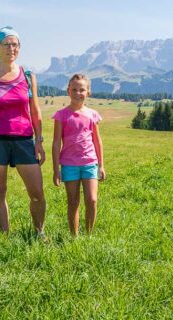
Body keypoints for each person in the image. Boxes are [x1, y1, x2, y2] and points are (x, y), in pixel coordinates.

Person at [0, 26, 46, 238]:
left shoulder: (28, 75)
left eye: (15, 44)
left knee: (37, 194)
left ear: (19, 48)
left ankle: (39, 233)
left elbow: (35, 110)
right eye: (6, 44)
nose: (11, 48)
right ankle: (5, 237)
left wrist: (39, 141)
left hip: (24, 141)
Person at [51, 74, 105, 236]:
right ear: (68, 91)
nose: (77, 93)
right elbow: (55, 143)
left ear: (88, 92)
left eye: (82, 90)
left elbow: (97, 141)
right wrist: (56, 170)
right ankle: (74, 237)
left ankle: (88, 235)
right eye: (74, 89)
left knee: (92, 200)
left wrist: (101, 165)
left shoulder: (92, 114)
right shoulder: (61, 115)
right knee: (73, 202)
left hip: (90, 163)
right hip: (69, 164)